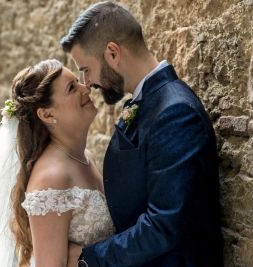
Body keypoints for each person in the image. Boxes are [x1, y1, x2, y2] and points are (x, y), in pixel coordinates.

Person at [61, 1, 224, 266]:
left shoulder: (175, 112)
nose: (88, 83)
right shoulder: (149, 101)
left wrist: (88, 258)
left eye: (86, 70)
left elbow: (163, 225)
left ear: (112, 53)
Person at [0, 59, 115, 267]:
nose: (86, 89)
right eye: (72, 88)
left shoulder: (85, 157)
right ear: (47, 114)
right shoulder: (51, 177)